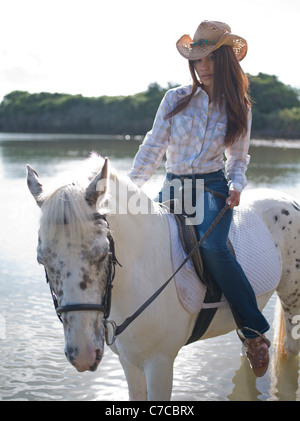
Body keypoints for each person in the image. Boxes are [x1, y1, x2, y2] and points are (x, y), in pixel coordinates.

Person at [128, 20, 270, 377]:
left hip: (211, 187)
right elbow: (153, 147)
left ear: (224, 62)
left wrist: (237, 185)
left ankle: (253, 332)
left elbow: (238, 160)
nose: (202, 68)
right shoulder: (174, 99)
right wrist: (130, 188)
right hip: (174, 185)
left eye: (209, 60)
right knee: (140, 238)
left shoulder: (239, 106)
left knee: (213, 249)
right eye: (197, 61)